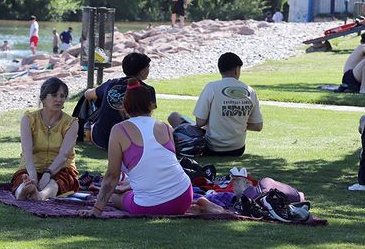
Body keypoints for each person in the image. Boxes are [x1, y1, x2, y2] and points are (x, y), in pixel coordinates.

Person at [80, 78, 195, 217]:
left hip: (149, 205)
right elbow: (160, 169)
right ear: (151, 105)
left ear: (125, 107)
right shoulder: (165, 127)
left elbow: (111, 176)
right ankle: (200, 205)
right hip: (184, 196)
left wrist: (96, 210)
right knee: (128, 190)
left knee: (116, 197)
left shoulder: (119, 130)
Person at [168, 52, 263, 157]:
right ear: (237, 70)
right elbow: (257, 126)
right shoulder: (250, 91)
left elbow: (200, 122)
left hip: (212, 148)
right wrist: (237, 124)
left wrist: (217, 122)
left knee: (174, 117)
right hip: (238, 149)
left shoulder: (212, 87)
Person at [11, 77, 79, 200]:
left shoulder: (71, 123)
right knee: (23, 179)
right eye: (54, 95)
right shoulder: (28, 119)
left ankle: (41, 195)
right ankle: (23, 191)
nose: (59, 99)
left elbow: (64, 155)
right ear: (43, 98)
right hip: (33, 166)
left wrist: (48, 173)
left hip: (61, 167)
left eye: (62, 96)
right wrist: (32, 175)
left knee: (57, 182)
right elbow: (27, 151)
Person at [83, 53, 154, 150]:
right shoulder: (148, 90)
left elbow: (88, 95)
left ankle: (87, 133)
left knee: (93, 123)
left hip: (102, 139)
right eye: (148, 67)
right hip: (130, 141)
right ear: (142, 72)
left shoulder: (111, 84)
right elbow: (147, 117)